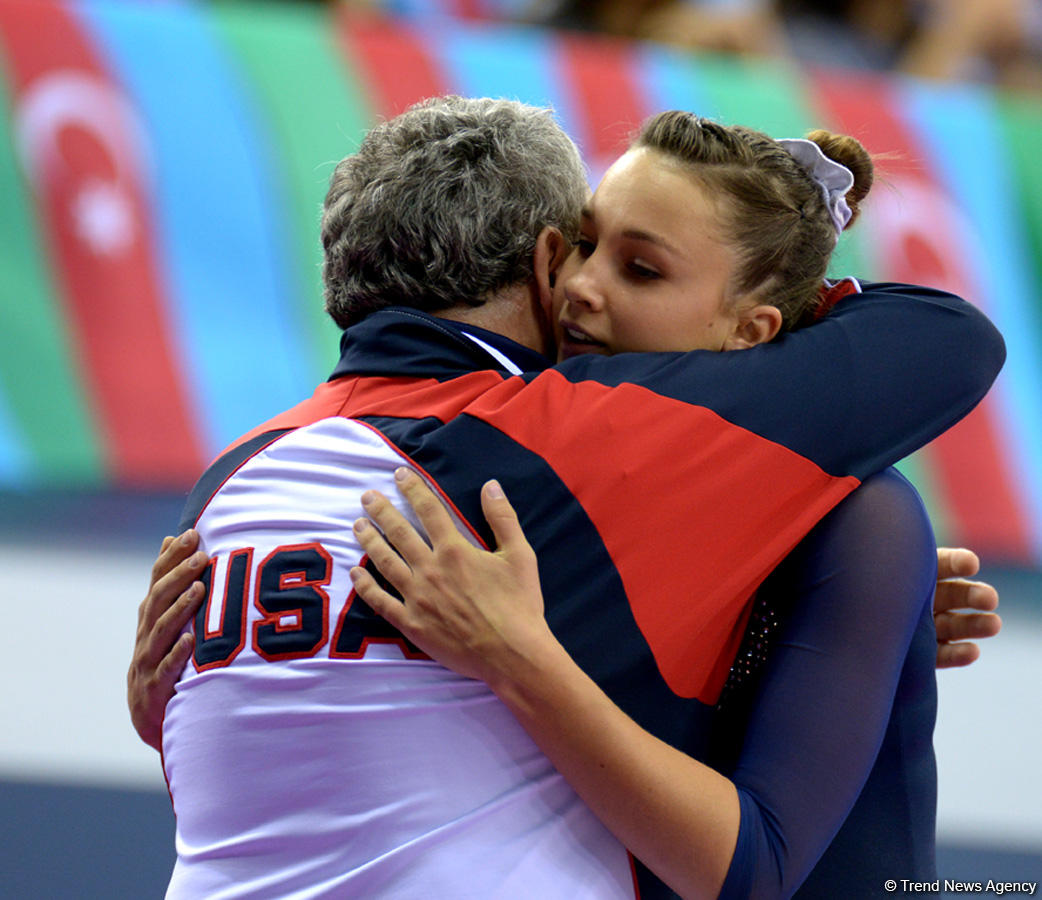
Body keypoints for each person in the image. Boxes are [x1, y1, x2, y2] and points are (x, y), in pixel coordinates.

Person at [136, 97, 1003, 898]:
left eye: (641, 268)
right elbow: (947, 336)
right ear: (547, 256)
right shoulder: (576, 443)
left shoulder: (237, 476)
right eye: (587, 248)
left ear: (756, 331)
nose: (585, 289)